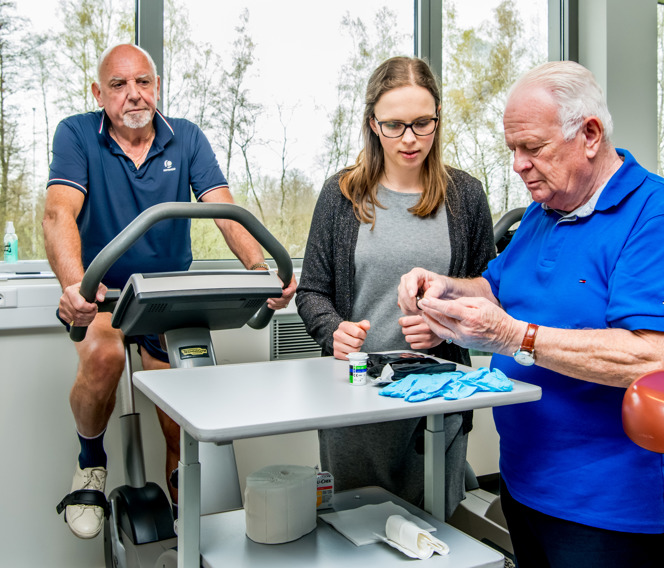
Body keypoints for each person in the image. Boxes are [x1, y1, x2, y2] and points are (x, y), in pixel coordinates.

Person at [398, 60, 664, 567]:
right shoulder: (545, 214)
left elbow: (649, 359)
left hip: (610, 508)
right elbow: (497, 289)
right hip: (526, 484)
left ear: (589, 134)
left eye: (533, 148)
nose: (519, 164)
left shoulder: (659, 217)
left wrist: (516, 338)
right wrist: (446, 288)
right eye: (513, 150)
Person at [42, 43, 297, 540]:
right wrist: (75, 287)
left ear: (157, 87)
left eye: (143, 82)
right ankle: (90, 465)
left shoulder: (187, 139)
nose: (133, 94)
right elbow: (58, 214)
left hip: (166, 296)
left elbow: (224, 210)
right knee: (103, 357)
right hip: (104, 293)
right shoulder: (76, 134)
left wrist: (262, 269)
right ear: (99, 93)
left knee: (185, 411)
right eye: (119, 85)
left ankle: (190, 522)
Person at [295, 56, 495, 517]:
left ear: (438, 119)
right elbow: (311, 292)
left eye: (423, 123)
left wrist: (445, 330)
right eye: (394, 125)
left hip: (435, 398)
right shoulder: (340, 194)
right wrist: (333, 330)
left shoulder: (465, 196)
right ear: (372, 124)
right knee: (352, 530)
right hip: (354, 399)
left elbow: (489, 290)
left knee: (434, 533)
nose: (409, 139)